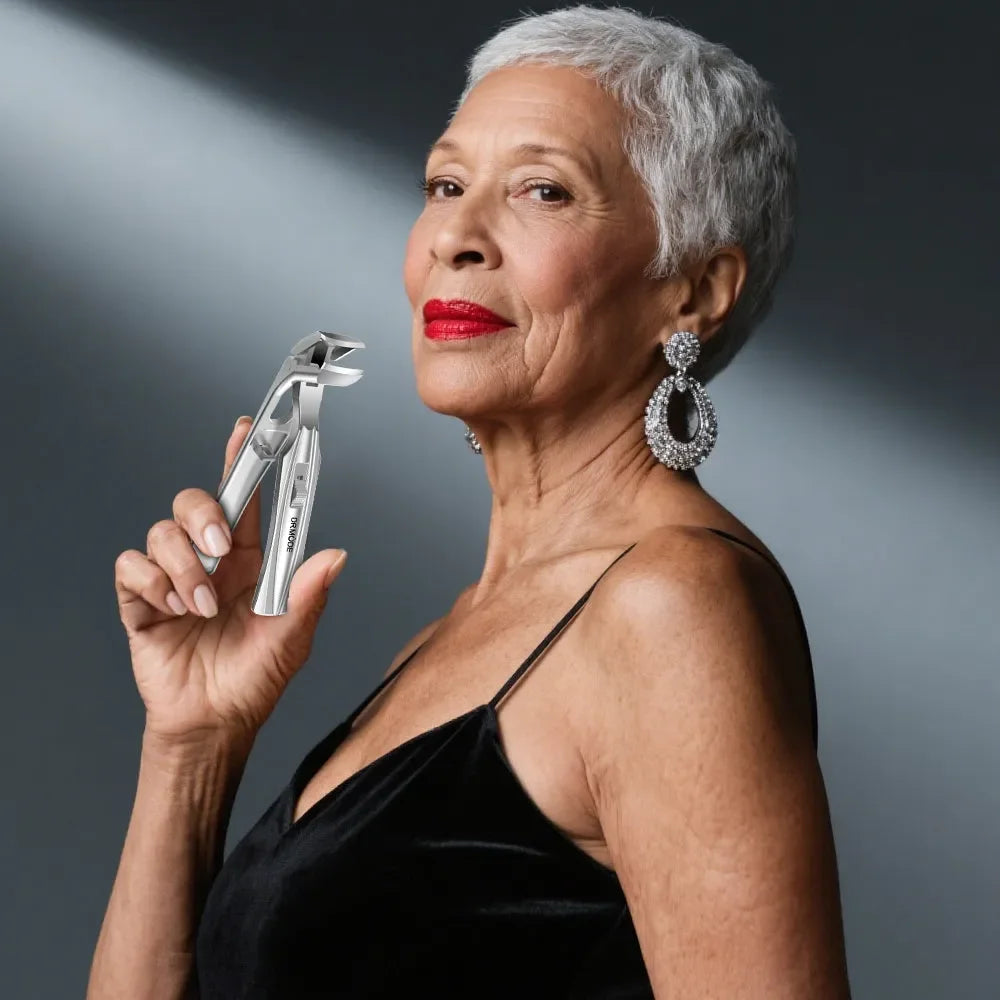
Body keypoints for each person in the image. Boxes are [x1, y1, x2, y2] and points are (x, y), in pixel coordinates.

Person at [88, 5, 852, 998]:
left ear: (693, 292)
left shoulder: (670, 607)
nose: (457, 234)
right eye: (445, 184)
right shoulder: (451, 639)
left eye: (543, 190)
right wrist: (190, 744)